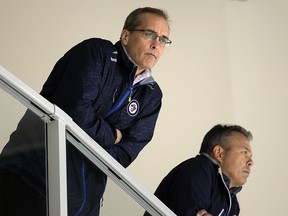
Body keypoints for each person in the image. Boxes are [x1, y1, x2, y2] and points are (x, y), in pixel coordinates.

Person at [0, 7, 172, 216]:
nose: (156, 44)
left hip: (83, 205)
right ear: (126, 35)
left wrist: (101, 141)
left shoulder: (152, 97)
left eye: (163, 40)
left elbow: (125, 154)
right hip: (31, 181)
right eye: (149, 34)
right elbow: (75, 114)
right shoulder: (95, 53)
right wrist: (112, 135)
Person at [144, 124, 253, 216]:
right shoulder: (198, 170)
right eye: (244, 152)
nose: (251, 162)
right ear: (219, 153)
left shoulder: (232, 202)